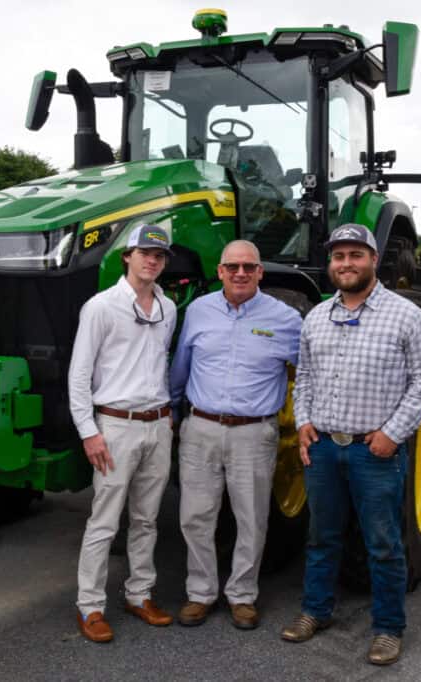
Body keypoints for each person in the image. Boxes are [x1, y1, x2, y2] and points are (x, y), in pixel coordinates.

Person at [279, 224, 421, 666]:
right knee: (321, 537)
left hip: (374, 452)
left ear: (372, 259)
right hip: (325, 449)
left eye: (355, 255)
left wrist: (394, 433)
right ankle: (316, 611)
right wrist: (305, 421)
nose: (345, 264)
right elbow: (305, 376)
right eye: (338, 256)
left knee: (383, 542)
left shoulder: (406, 316)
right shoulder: (317, 317)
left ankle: (388, 628)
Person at [169, 240, 303, 630]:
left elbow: (308, 373)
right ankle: (200, 593)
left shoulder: (286, 318)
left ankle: (242, 596)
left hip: (254, 433)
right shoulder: (198, 311)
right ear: (221, 272)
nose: (240, 273)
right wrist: (175, 412)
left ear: (261, 272)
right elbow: (181, 366)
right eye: (232, 266)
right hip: (201, 428)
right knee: (195, 515)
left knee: (252, 518)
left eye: (248, 266)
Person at [68, 224, 178, 643]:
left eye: (160, 255)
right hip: (114, 426)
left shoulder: (168, 308)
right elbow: (79, 375)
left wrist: (166, 416)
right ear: (127, 257)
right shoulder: (101, 307)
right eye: (145, 252)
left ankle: (139, 594)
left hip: (157, 424)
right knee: (104, 521)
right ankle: (90, 606)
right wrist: (88, 432)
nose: (153, 260)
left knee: (147, 519)